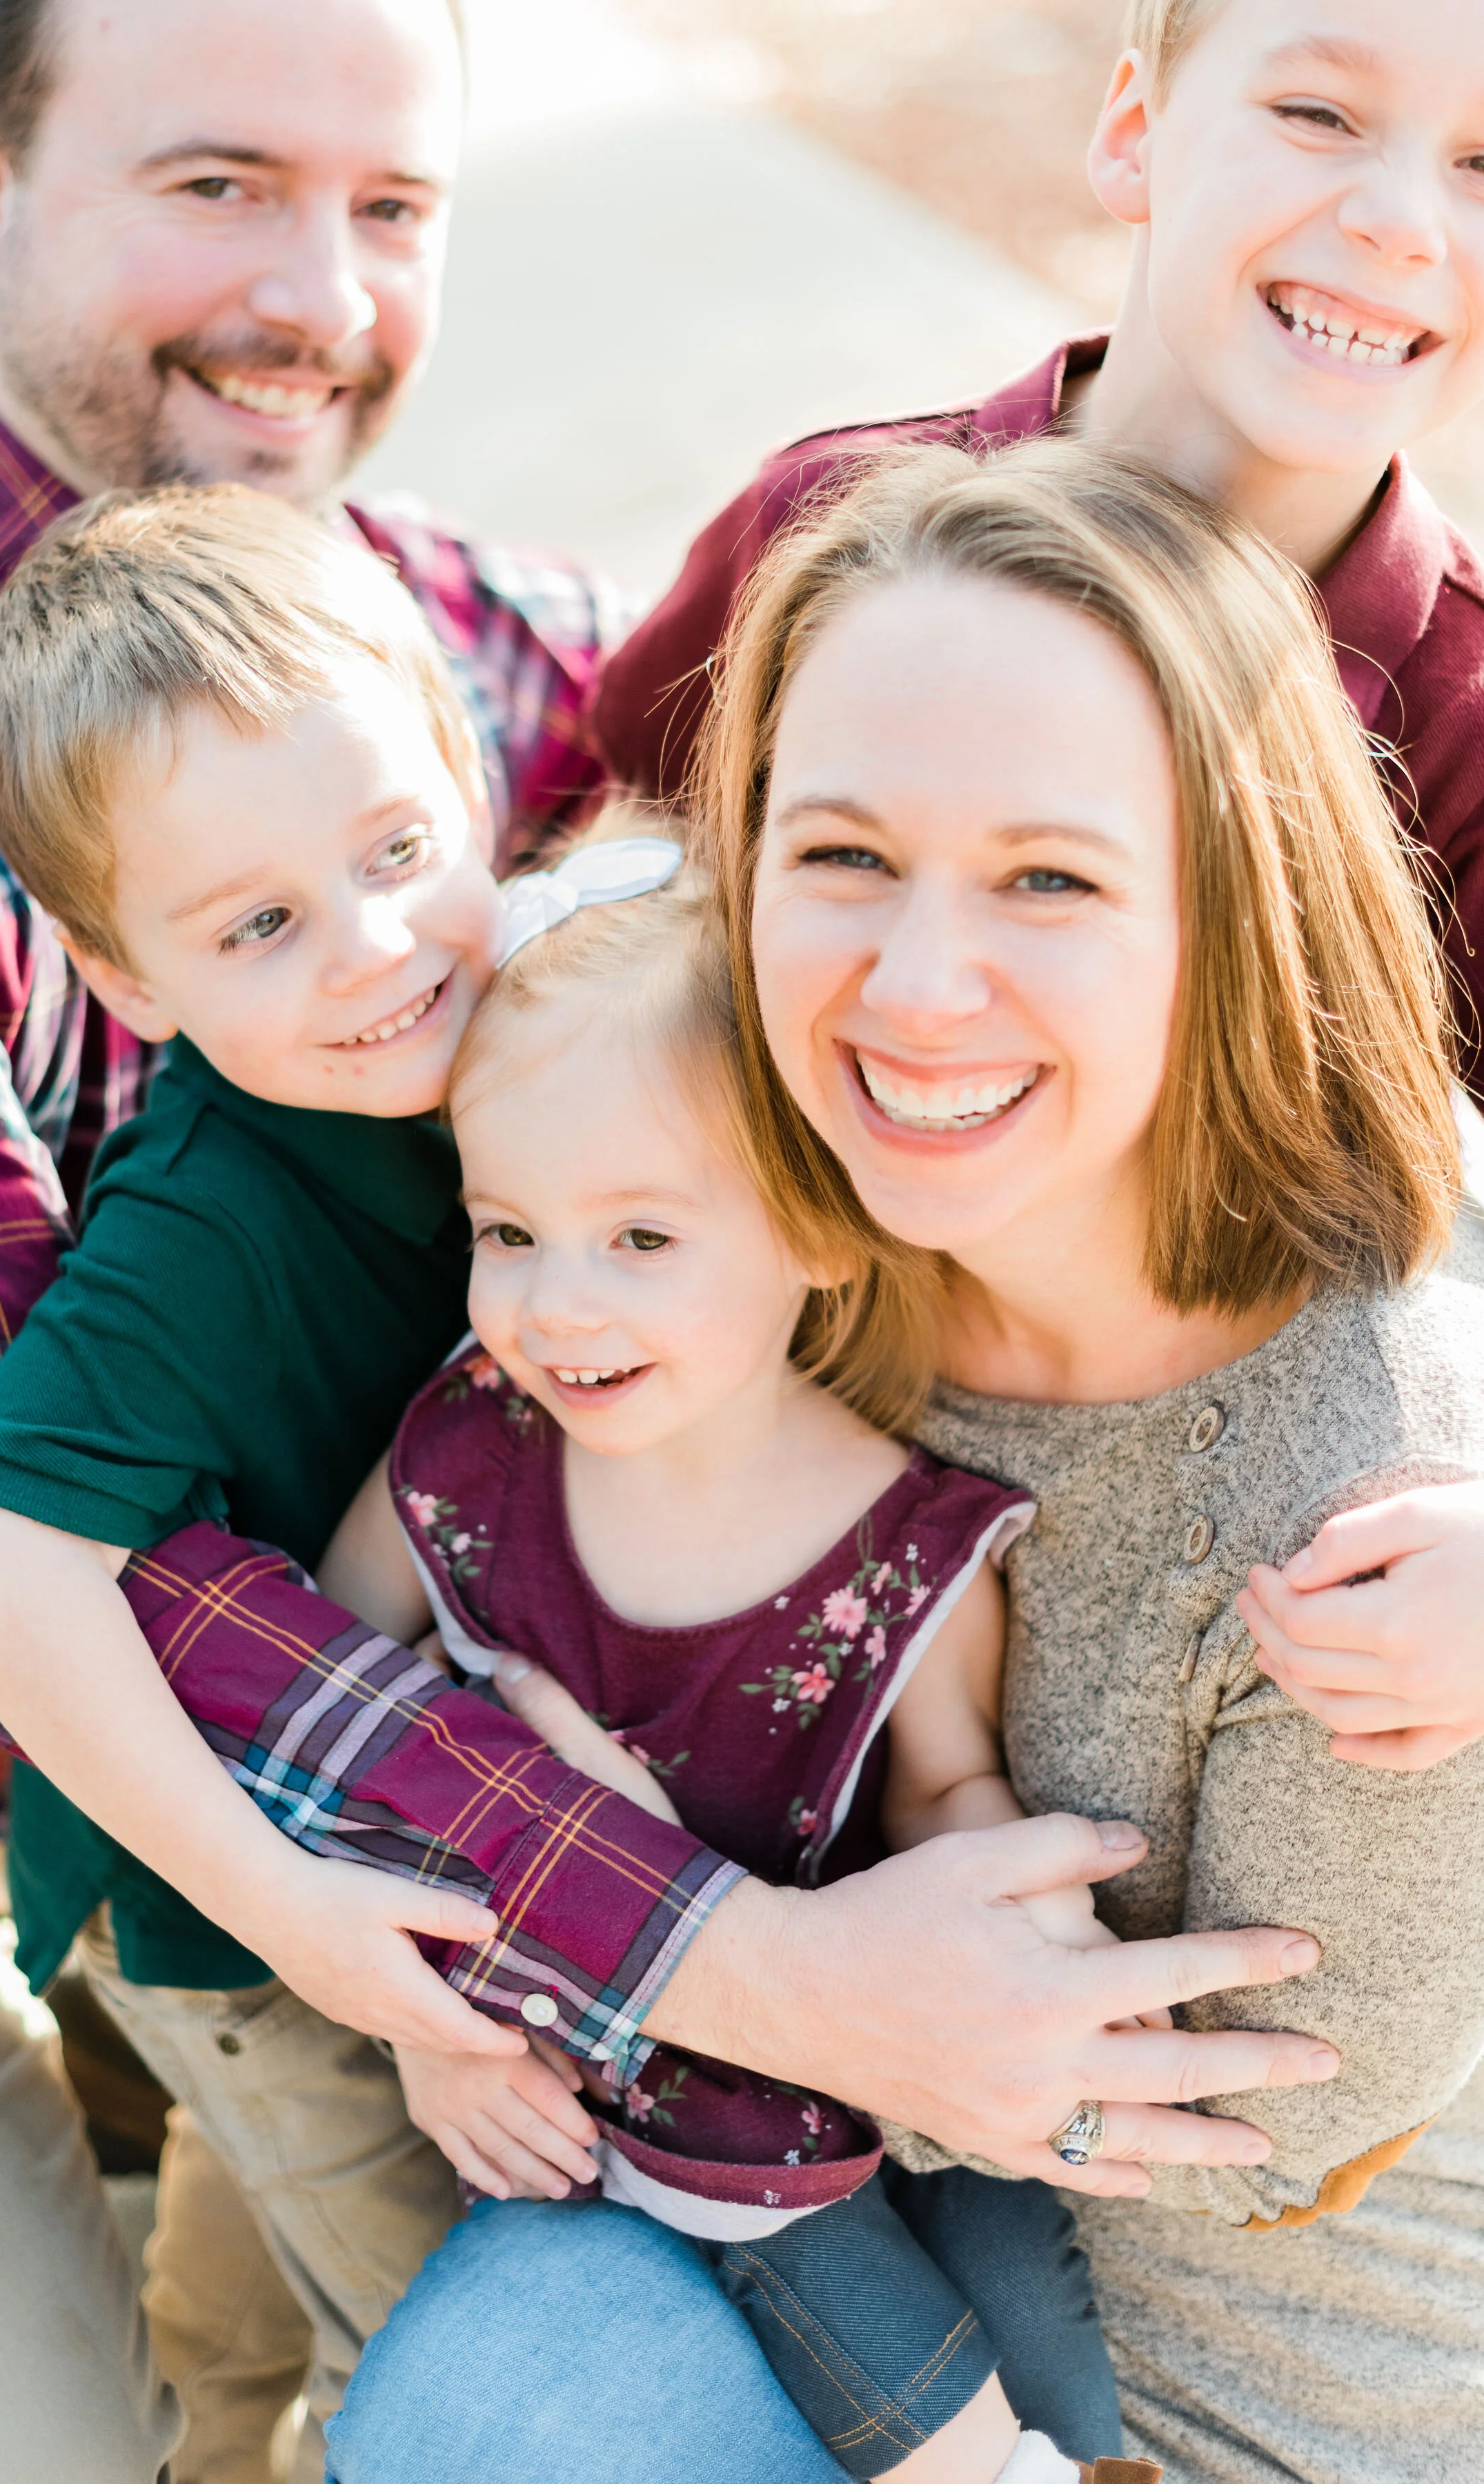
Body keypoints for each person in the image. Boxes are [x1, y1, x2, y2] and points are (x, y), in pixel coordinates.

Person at [329, 444, 1484, 2481]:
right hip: (747, 2193)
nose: (919, 986)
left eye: (1049, 877)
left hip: (1221, 2380)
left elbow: (1270, 2130)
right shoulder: (732, 1214)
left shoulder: (1371, 1506)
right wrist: (732, 1966)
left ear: (1227, 905)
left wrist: (662, 1939)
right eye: (843, 856)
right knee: (488, 2441)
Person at [0, 0, 620, 2474]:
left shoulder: (502, 653)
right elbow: (28, 1539)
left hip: (374, 1789)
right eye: (217, 184)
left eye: (393, 210)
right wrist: (659, 1918)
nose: (319, 294)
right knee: (7, 2453)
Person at [593, 0, 1484, 1748]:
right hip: (745, 1517)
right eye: (1317, 112)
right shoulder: (831, 530)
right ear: (1135, 127)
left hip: (1202, 1649)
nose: (1399, 218)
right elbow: (589, 932)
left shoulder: (1461, 721)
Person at [316, 865, 1125, 2483]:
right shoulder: (469, 1456)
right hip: (618, 2078)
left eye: (639, 1237)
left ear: (812, 1229)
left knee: (1057, 2337)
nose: (557, 1303)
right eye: (509, 1232)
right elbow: (324, 1717)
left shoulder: (893, 1543)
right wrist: (414, 2021)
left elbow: (947, 1777)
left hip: (873, 2039)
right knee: (813, 2247)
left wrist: (1027, 1911)